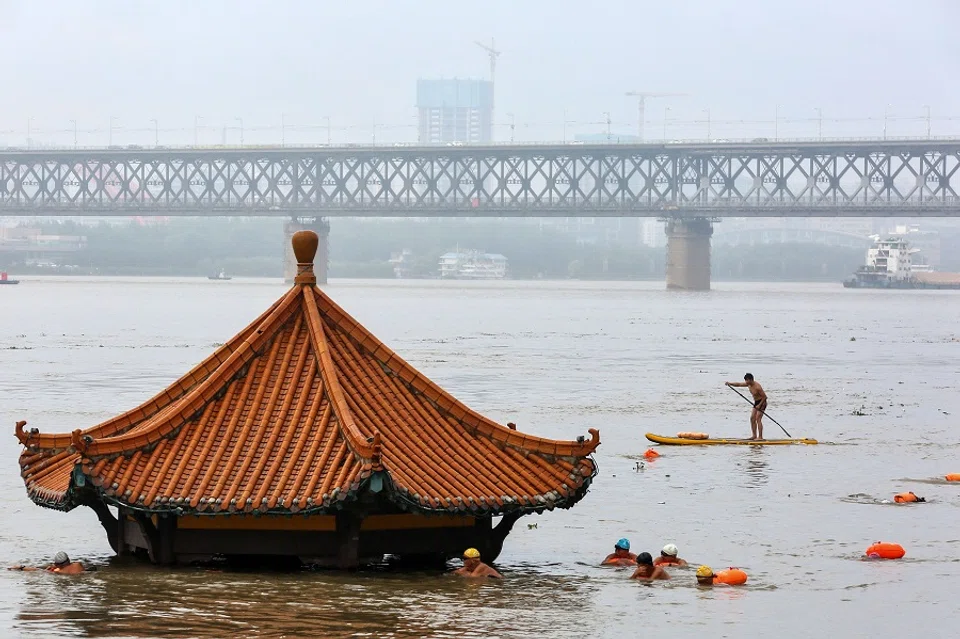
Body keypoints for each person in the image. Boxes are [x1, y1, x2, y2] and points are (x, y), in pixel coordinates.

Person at [726, 373, 768, 440]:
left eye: (747, 380)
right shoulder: (748, 384)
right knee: (752, 418)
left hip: (762, 403)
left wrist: (759, 405)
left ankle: (760, 437)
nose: (746, 382)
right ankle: (754, 435)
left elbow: (765, 397)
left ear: (751, 380)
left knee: (758, 419)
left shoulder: (757, 387)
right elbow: (739, 384)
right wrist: (730, 383)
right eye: (745, 380)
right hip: (756, 402)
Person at [8, 552, 85, 575]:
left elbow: (36, 570)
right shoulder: (78, 564)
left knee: (40, 569)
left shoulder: (58, 572)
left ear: (58, 564)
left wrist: (21, 567)